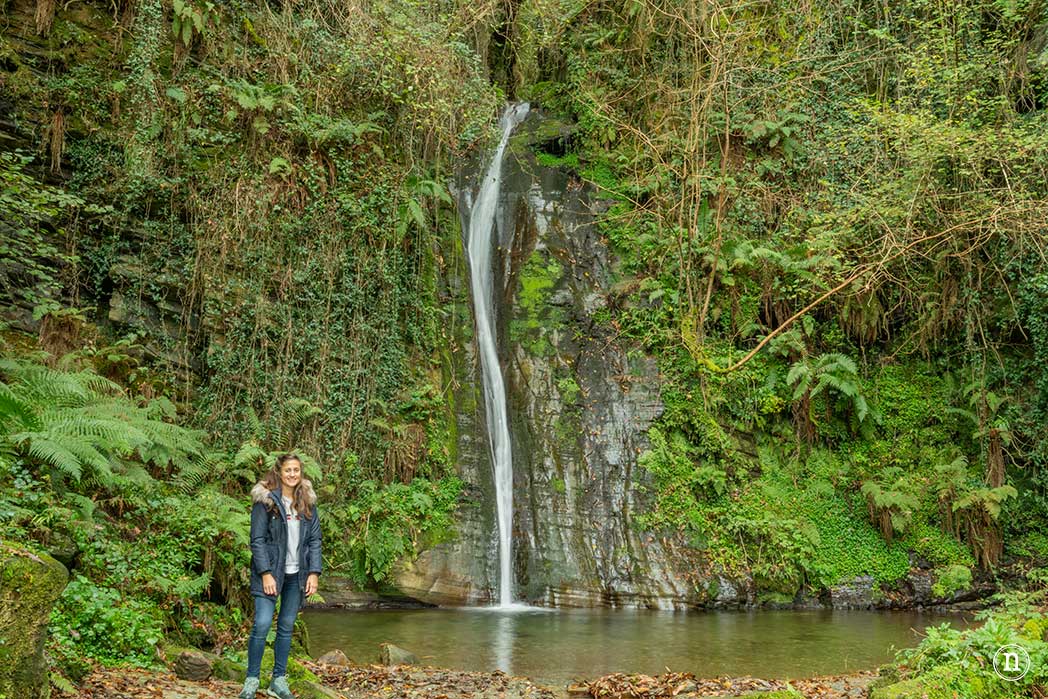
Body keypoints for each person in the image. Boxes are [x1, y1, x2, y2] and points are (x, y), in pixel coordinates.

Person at [239, 454, 322, 699]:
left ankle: (278, 680)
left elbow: (315, 540)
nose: (292, 474)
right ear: (279, 472)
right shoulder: (266, 501)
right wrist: (265, 573)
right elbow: (257, 540)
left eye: (296, 470)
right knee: (263, 624)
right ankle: (252, 679)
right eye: (288, 470)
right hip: (270, 573)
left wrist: (314, 572)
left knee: (286, 627)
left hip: (297, 575)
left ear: (301, 472)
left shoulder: (307, 501)